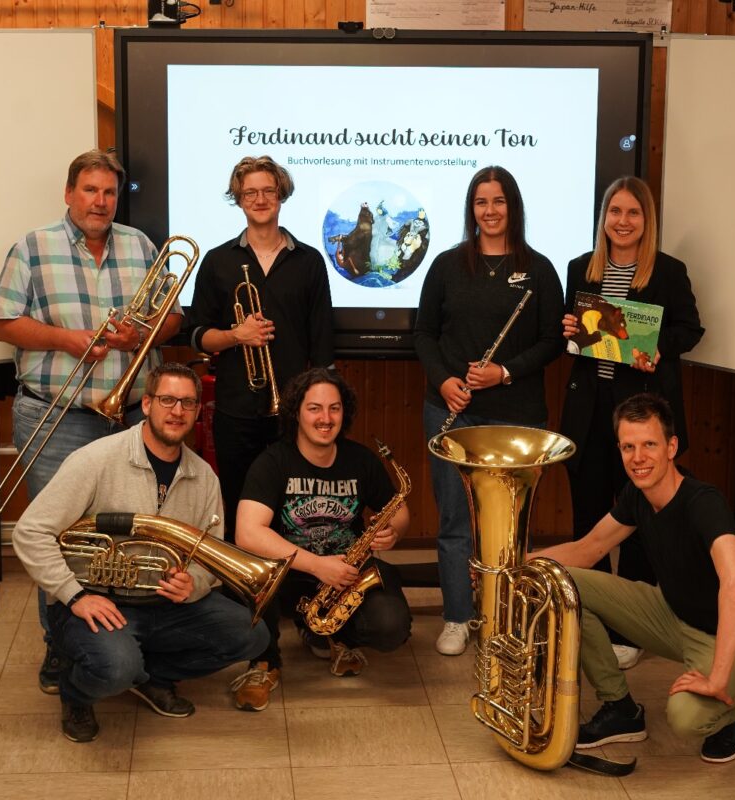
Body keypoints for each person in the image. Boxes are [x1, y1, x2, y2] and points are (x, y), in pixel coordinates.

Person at [0, 148, 184, 694]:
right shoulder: (32, 248)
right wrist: (67, 340)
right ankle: (60, 648)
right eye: (90, 190)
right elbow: (3, 322)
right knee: (59, 535)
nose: (100, 201)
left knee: (134, 535)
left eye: (109, 192)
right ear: (69, 193)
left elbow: (172, 319)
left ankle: (128, 643)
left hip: (131, 417)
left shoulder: (140, 246)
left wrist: (140, 335)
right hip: (58, 414)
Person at [11, 362, 269, 743]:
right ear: (146, 404)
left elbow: (210, 554)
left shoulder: (204, 478)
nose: (177, 411)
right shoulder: (95, 460)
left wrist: (194, 583)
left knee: (254, 635)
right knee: (115, 667)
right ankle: (75, 691)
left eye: (188, 403)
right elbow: (30, 532)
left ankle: (151, 677)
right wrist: (74, 595)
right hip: (96, 601)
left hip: (163, 604)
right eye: (167, 400)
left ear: (197, 411)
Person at [534, 393, 735, 764]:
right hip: (674, 616)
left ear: (671, 447)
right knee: (566, 584)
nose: (638, 457)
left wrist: (717, 678)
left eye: (649, 445)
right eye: (628, 447)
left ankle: (730, 707)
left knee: (686, 719)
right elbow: (588, 549)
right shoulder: (637, 495)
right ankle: (620, 709)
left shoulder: (703, 502)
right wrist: (516, 562)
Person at [413, 165, 564, 656]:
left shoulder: (539, 269)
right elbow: (424, 334)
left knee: (512, 528)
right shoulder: (446, 265)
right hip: (452, 411)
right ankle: (458, 617)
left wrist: (505, 372)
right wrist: (445, 381)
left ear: (512, 206)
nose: (490, 211)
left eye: (499, 201)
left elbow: (551, 341)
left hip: (516, 416)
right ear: (471, 209)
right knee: (455, 522)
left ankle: (509, 619)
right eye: (481, 202)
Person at [560, 175, 704, 669]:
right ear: (604, 218)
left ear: (647, 220)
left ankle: (633, 624)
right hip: (589, 410)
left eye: (633, 213)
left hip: (641, 413)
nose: (622, 221)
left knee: (641, 518)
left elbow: (691, 328)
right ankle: (596, 614)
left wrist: (660, 347)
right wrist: (569, 328)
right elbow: (576, 335)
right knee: (589, 516)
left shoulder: (668, 271)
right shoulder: (581, 268)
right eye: (615, 212)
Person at [230, 368, 411, 711]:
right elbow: (248, 532)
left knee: (391, 627)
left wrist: (393, 530)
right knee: (255, 578)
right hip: (288, 575)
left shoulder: (361, 460)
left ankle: (331, 633)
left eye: (334, 408)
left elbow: (399, 510)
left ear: (345, 412)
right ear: (296, 412)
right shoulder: (273, 462)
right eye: (314, 408)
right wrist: (316, 565)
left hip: (346, 575)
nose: (325, 419)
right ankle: (265, 661)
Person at [188, 155, 335, 544]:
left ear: (281, 194)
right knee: (239, 503)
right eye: (250, 192)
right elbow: (197, 334)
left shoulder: (309, 261)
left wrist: (319, 402)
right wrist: (237, 335)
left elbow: (322, 341)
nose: (260, 199)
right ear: (238, 199)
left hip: (294, 410)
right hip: (236, 410)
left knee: (296, 509)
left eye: (268, 190)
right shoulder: (218, 261)